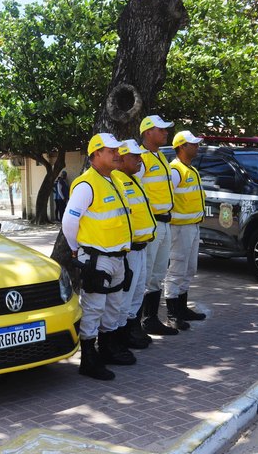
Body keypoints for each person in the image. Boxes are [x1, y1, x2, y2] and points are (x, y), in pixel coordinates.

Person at [62, 133, 133, 381]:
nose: (117, 154)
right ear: (96, 154)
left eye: (118, 149)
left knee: (113, 306)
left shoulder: (114, 180)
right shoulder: (86, 184)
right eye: (111, 150)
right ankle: (89, 359)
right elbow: (69, 221)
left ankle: (108, 349)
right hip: (97, 258)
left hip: (116, 257)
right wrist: (75, 248)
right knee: (94, 308)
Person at [136, 115, 180, 336]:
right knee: (144, 274)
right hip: (151, 225)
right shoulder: (142, 160)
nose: (165, 133)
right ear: (147, 133)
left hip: (164, 222)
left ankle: (150, 318)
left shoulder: (160, 157)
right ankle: (136, 324)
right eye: (160, 130)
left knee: (158, 273)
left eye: (166, 130)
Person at [112, 140, 157, 350]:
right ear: (121, 158)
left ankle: (132, 328)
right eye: (134, 156)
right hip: (128, 250)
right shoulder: (117, 181)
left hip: (141, 247)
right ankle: (122, 336)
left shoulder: (133, 179)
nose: (140, 160)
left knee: (138, 291)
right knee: (125, 295)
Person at [164, 130, 207, 330]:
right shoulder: (175, 171)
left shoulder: (191, 170)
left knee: (189, 269)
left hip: (192, 227)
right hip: (179, 229)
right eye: (193, 144)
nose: (197, 147)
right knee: (176, 270)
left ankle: (182, 309)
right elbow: (166, 200)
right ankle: (172, 314)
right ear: (181, 146)